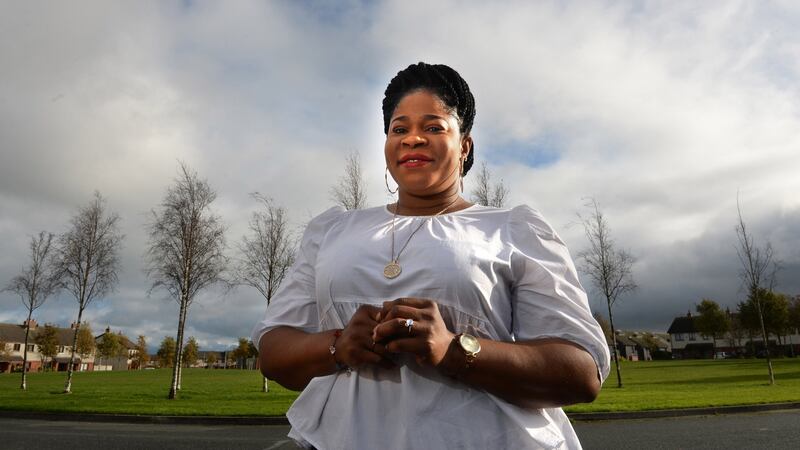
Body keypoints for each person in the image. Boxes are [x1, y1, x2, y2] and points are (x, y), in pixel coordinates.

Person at [252, 62, 610, 449]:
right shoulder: (332, 231)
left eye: (433, 127)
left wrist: (454, 349)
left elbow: (581, 373)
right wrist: (337, 345)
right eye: (399, 128)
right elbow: (274, 351)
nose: (412, 139)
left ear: (465, 146)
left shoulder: (514, 229)